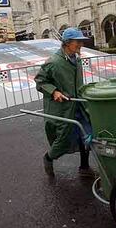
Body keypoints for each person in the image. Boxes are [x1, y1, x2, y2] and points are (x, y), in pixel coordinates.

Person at [35, 27, 94, 177]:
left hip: (79, 106)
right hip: (63, 109)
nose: (80, 45)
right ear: (67, 43)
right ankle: (48, 158)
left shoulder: (77, 59)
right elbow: (40, 81)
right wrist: (54, 91)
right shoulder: (54, 62)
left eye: (81, 42)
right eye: (77, 42)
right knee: (62, 140)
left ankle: (84, 167)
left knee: (86, 135)